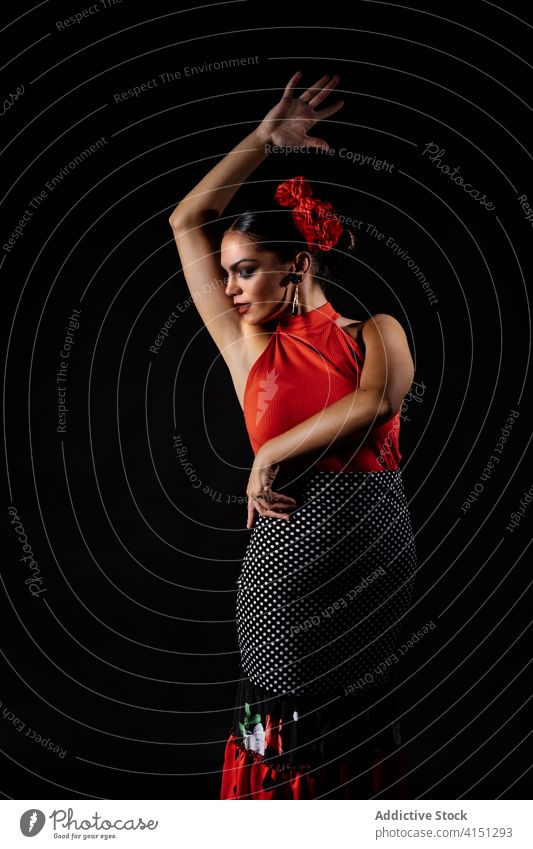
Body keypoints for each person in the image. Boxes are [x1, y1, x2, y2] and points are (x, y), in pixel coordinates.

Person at [168, 71, 418, 800]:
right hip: (286, 579)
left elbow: (375, 403)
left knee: (357, 736)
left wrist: (270, 451)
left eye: (246, 270)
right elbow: (187, 221)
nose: (233, 289)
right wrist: (260, 140)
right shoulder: (246, 345)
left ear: (298, 266)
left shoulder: (376, 331)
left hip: (375, 572)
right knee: (284, 747)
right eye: (226, 275)